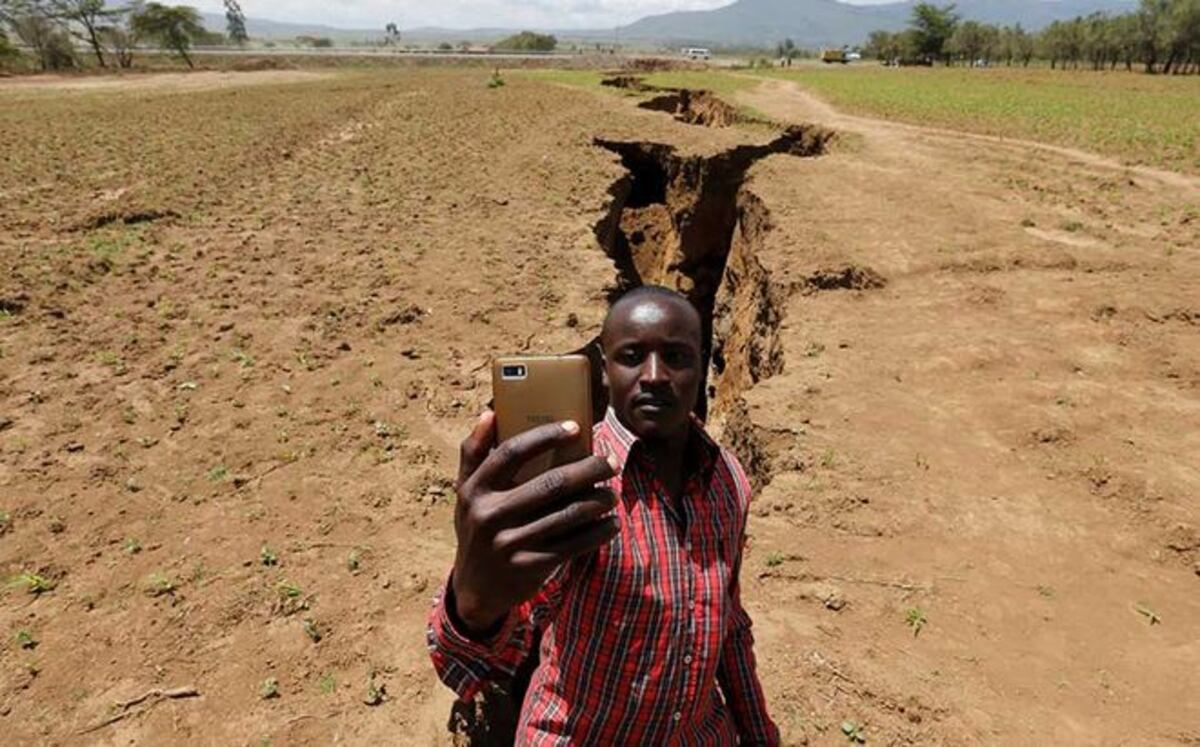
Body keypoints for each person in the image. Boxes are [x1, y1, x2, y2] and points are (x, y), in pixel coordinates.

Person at [427, 285, 780, 745]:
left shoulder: (728, 479)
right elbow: (495, 651)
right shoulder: (577, 483)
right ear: (606, 372)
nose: (654, 375)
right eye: (632, 356)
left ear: (703, 367)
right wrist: (473, 604)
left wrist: (759, 734)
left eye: (676, 356)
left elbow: (729, 621)